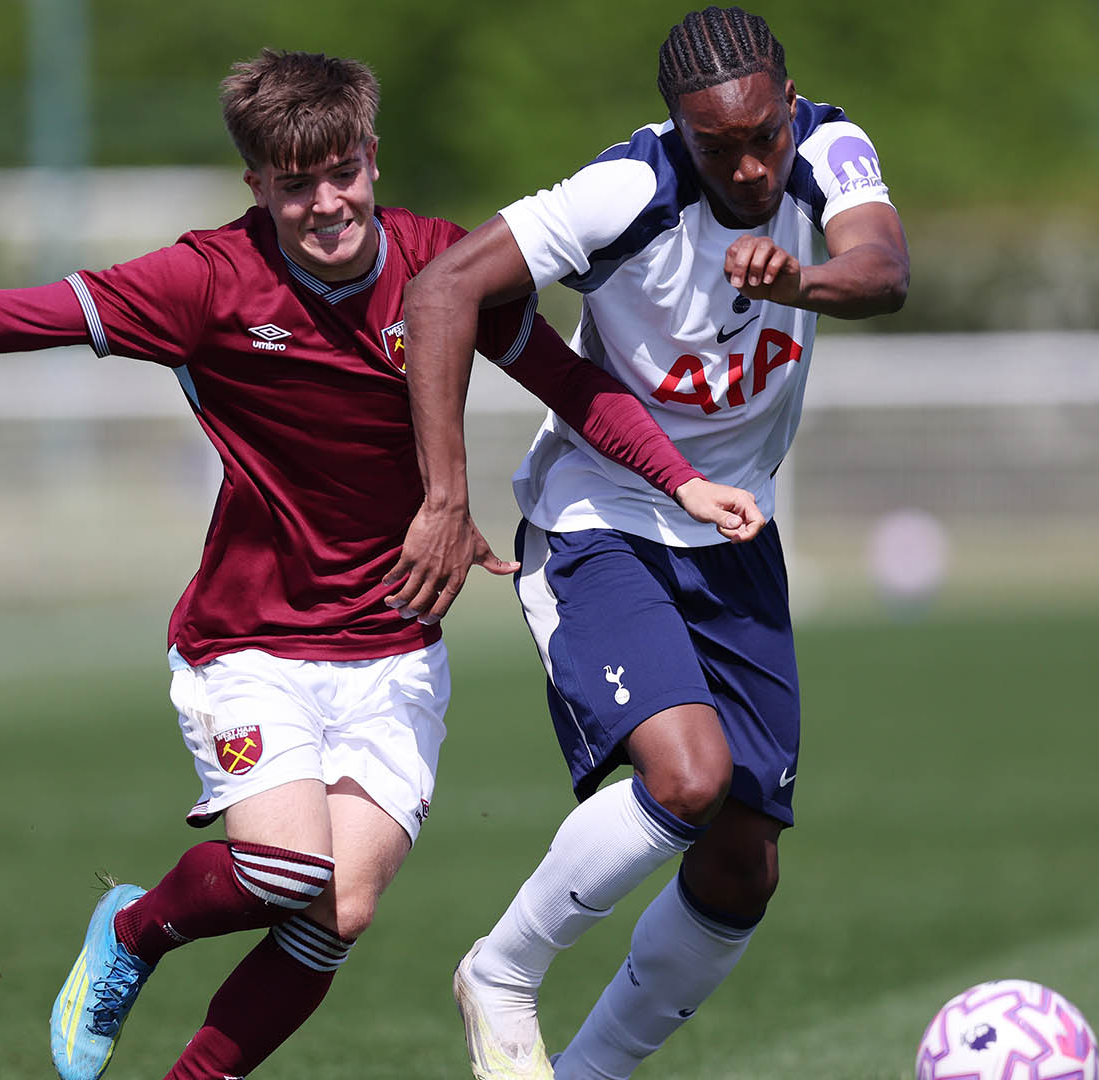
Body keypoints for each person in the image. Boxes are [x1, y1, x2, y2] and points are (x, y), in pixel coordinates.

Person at [0, 49, 763, 1080]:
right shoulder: (207, 282)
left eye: (342, 172)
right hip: (251, 639)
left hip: (394, 647)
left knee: (339, 911)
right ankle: (135, 929)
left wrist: (679, 481)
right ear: (255, 184)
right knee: (286, 868)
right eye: (296, 185)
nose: (327, 204)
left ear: (373, 157)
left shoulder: (442, 266)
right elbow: (6, 316)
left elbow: (570, 384)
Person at [392, 7, 911, 1079]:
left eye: (764, 135)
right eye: (718, 148)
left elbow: (884, 269)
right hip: (602, 518)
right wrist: (445, 497)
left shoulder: (830, 148)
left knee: (741, 867)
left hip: (734, 527)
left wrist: (800, 282)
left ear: (790, 103)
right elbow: (441, 288)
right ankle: (501, 972)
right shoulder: (624, 190)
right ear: (679, 130)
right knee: (687, 776)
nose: (751, 167)